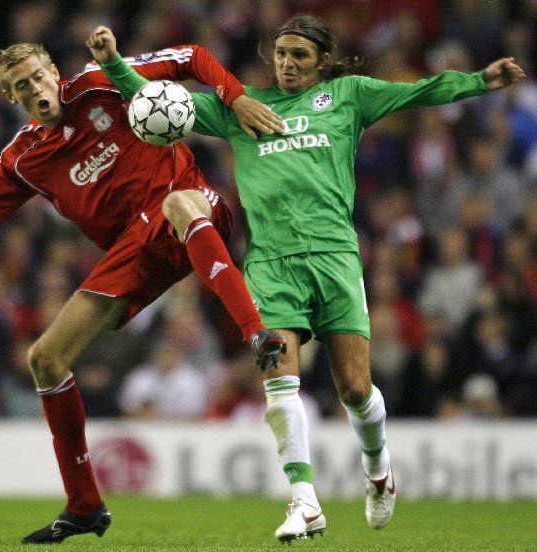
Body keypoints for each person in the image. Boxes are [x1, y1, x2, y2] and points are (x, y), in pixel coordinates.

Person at [89, 14, 526, 542]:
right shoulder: (241, 108)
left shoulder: (349, 95)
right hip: (271, 266)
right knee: (280, 383)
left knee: (355, 390)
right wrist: (114, 62)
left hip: (336, 259)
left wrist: (482, 80)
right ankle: (304, 500)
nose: (288, 65)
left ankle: (379, 470)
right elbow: (157, 103)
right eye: (280, 55)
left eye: (299, 56)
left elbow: (421, 92)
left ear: (321, 60)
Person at [0, 38, 287, 544]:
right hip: (134, 250)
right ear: (11, 97)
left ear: (53, 71)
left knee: (180, 205)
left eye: (40, 75)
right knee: (45, 358)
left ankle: (258, 334)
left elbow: (190, 57)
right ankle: (85, 504)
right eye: (22, 85)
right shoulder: (23, 160)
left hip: (194, 205)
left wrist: (236, 95)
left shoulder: (98, 83)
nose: (36, 87)